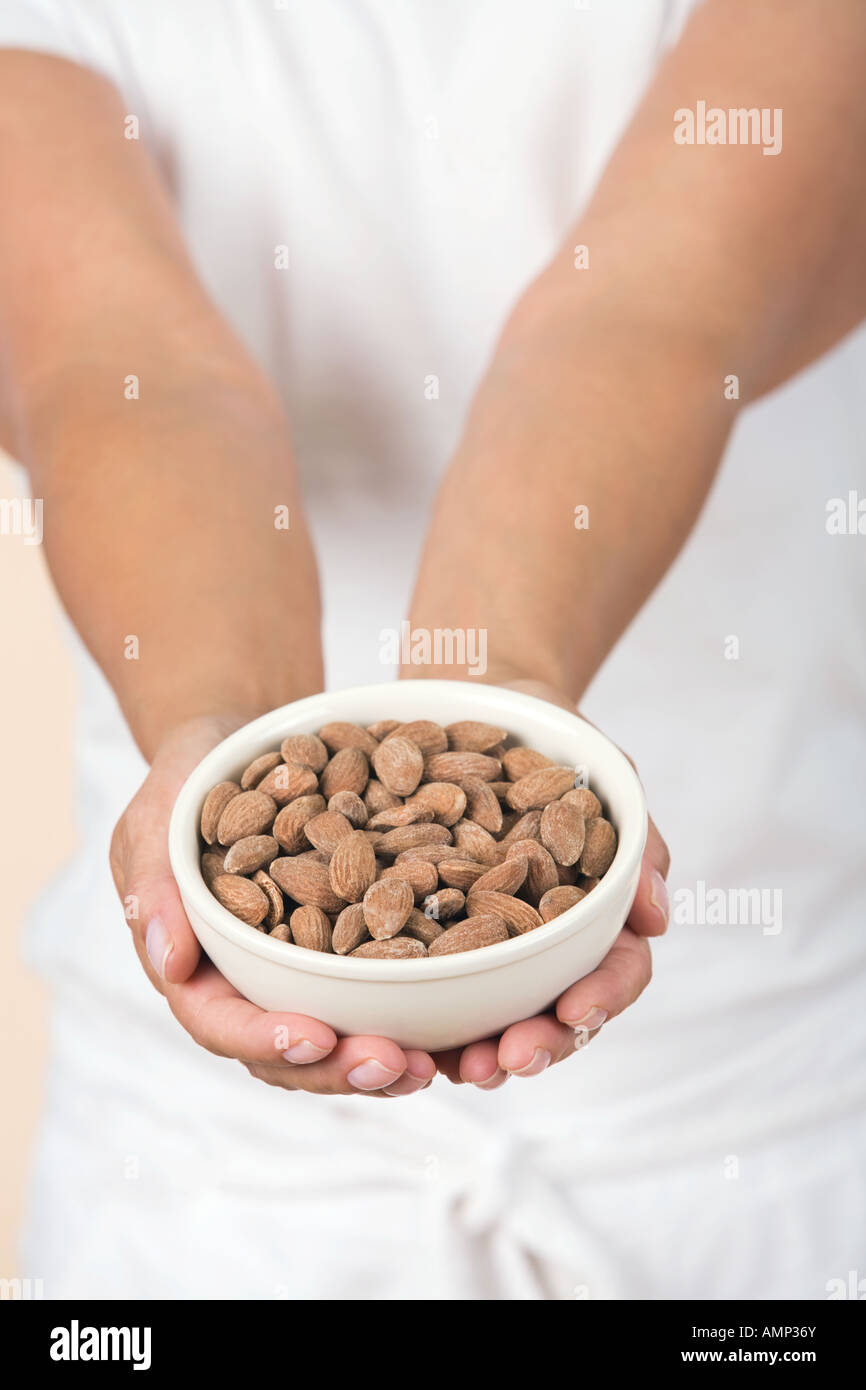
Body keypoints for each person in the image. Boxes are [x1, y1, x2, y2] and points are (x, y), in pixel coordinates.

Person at [0, 0, 863, 1300]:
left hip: (762, 1109)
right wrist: (218, 732)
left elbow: (650, 310)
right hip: (208, 1188)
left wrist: (495, 688)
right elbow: (119, 373)